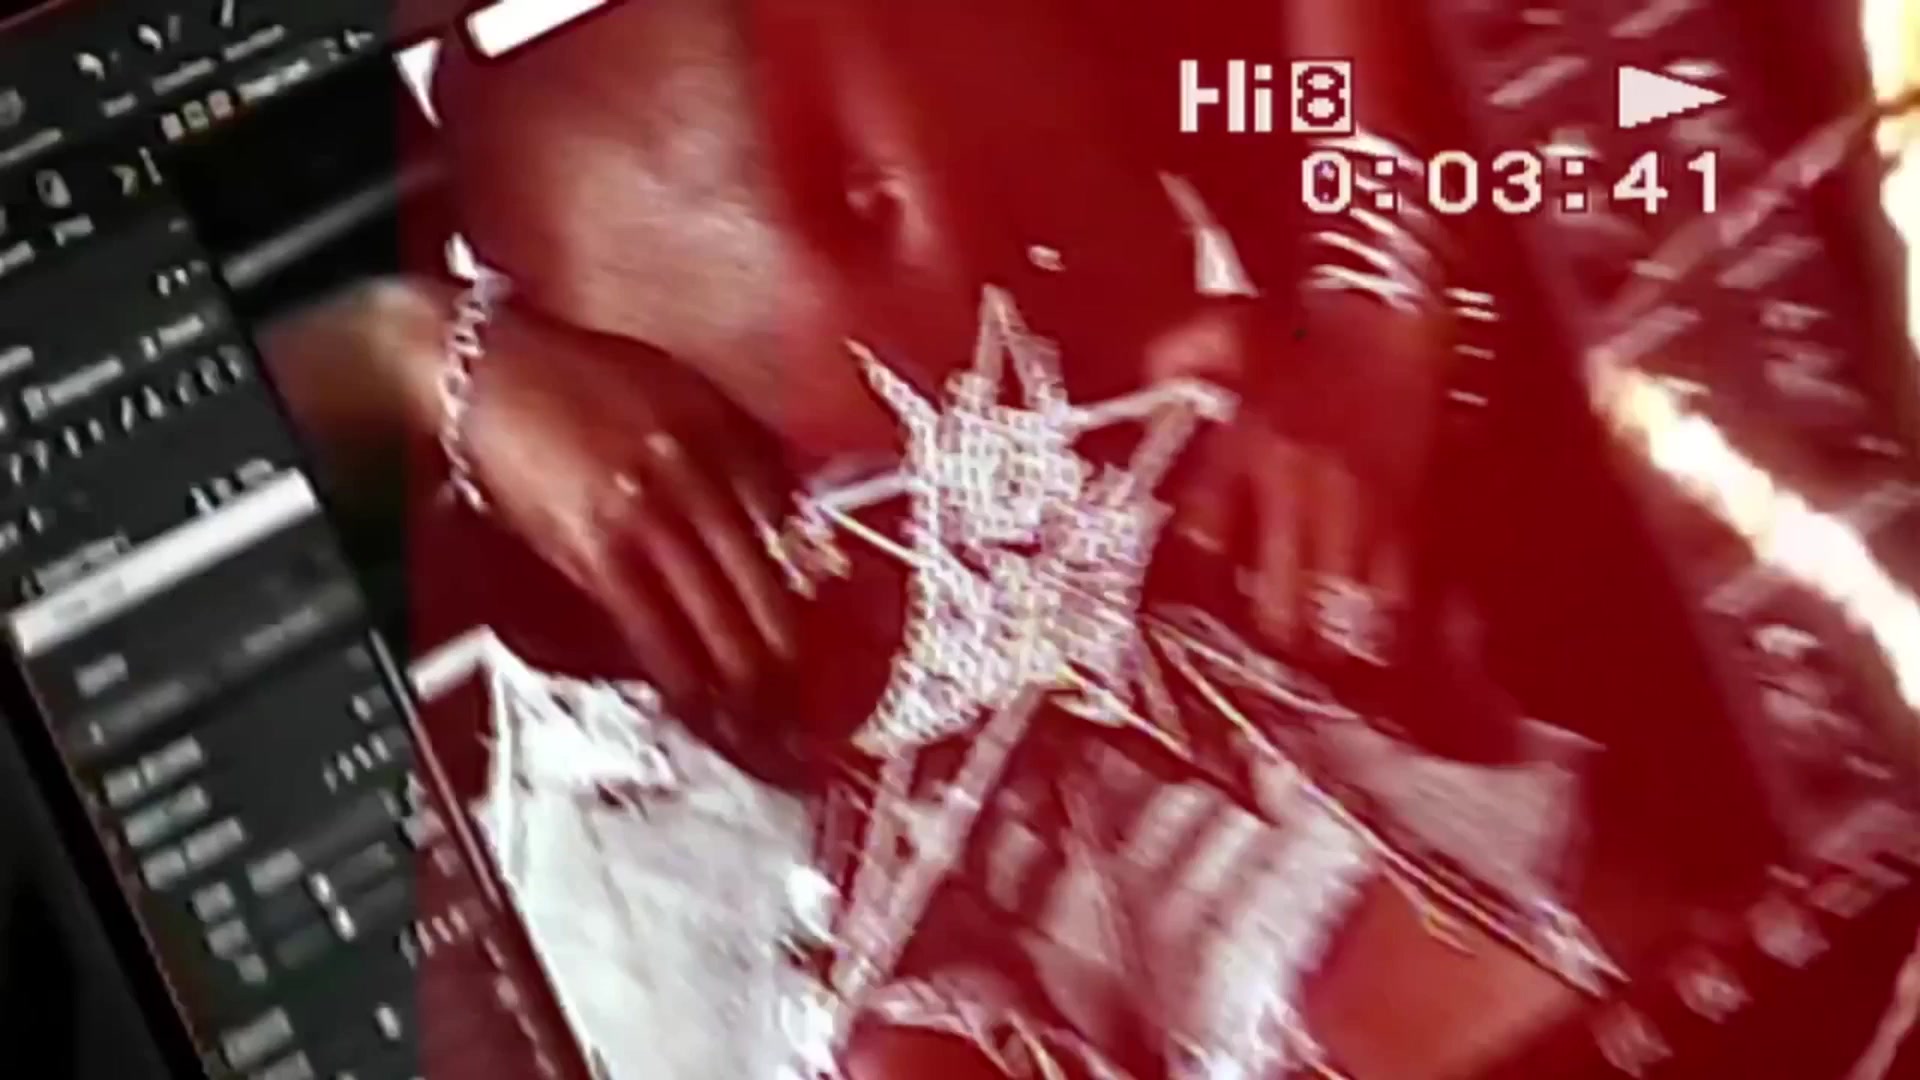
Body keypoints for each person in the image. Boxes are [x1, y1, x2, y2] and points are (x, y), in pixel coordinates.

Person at [261, 0, 1920, 1077]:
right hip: (737, 730)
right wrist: (432, 354)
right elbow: (138, 329)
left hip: (1187, 576)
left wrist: (1369, 291)